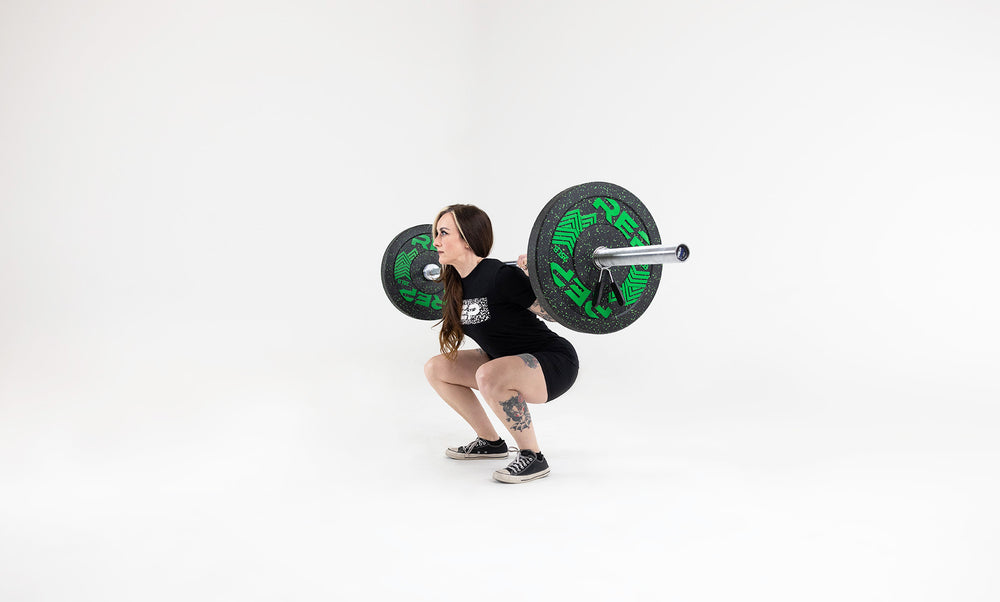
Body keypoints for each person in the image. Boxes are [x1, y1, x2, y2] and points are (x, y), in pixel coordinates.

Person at [423, 204, 579, 483]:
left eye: (443, 233)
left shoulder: (500, 275)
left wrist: (536, 278)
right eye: (436, 233)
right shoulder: (456, 284)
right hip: (502, 361)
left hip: (551, 362)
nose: (435, 242)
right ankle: (490, 442)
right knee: (437, 368)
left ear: (467, 238)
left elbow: (554, 316)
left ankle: (533, 456)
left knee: (489, 374)